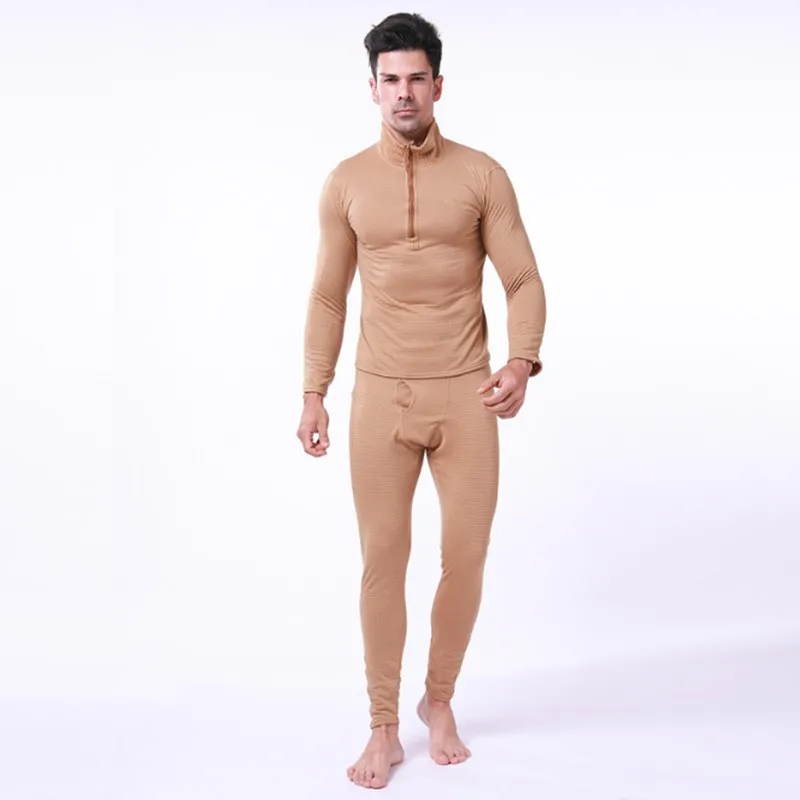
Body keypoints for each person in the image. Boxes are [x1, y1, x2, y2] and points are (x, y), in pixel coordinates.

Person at [296, 12, 547, 790]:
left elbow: (522, 279)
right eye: (390, 80)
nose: (403, 92)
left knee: (465, 556)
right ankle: (383, 725)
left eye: (415, 78)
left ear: (438, 85)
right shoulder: (346, 182)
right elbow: (329, 296)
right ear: (372, 89)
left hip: (468, 394)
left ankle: (438, 700)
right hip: (380, 396)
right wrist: (314, 391)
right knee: (383, 559)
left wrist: (522, 360)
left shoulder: (481, 175)